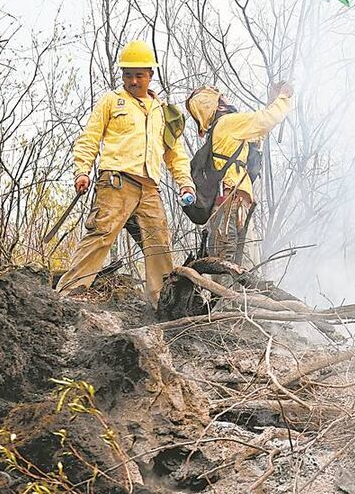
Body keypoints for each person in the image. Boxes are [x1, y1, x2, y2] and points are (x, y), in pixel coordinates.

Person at [56, 40, 195, 303]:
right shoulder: (112, 101)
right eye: (128, 75)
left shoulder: (163, 112)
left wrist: (185, 183)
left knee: (159, 248)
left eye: (139, 76)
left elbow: (175, 153)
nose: (133, 81)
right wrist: (82, 171)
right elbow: (89, 138)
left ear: (150, 76)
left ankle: (163, 304)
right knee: (101, 236)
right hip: (116, 183)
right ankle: (67, 297)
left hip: (150, 189)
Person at [184, 82, 293, 263]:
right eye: (223, 97)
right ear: (218, 104)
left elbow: (257, 134)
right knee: (229, 263)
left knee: (238, 263)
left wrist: (271, 100)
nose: (227, 98)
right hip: (232, 205)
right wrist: (283, 97)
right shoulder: (228, 123)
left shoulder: (222, 128)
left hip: (232, 205)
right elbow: (266, 121)